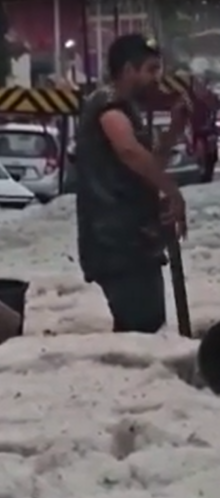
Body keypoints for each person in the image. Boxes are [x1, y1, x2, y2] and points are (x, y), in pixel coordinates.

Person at [76, 34, 188, 334]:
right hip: (116, 243)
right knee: (142, 329)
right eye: (151, 69)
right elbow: (129, 151)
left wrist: (175, 130)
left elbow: (147, 164)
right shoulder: (107, 105)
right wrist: (173, 192)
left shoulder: (127, 109)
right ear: (128, 70)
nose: (157, 78)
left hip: (134, 241)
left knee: (141, 329)